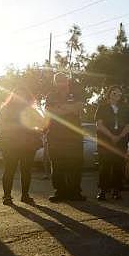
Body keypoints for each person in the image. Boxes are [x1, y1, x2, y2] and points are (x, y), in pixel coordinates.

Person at [0, 85, 45, 205]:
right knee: (9, 169)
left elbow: (42, 122)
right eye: (18, 95)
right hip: (9, 144)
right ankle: (7, 196)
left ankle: (25, 195)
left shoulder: (31, 110)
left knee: (26, 170)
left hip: (27, 144)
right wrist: (19, 126)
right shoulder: (6, 109)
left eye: (23, 95)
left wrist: (37, 129)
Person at [45, 73, 85, 202]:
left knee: (75, 164)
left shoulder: (76, 94)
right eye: (58, 81)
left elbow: (78, 108)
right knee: (57, 165)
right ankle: (60, 192)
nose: (61, 83)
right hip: (56, 136)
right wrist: (69, 109)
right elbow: (50, 112)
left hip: (74, 136)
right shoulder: (50, 95)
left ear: (68, 81)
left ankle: (75, 192)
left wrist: (60, 108)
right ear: (55, 82)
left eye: (63, 80)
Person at [95, 87, 129, 201]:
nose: (116, 95)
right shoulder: (102, 108)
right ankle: (102, 190)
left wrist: (119, 136)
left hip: (120, 141)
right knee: (104, 166)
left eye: (119, 93)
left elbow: (128, 125)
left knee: (118, 165)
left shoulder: (125, 109)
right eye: (114, 93)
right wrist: (111, 136)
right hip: (105, 140)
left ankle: (117, 190)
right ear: (109, 94)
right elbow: (99, 124)